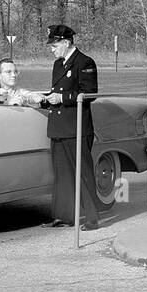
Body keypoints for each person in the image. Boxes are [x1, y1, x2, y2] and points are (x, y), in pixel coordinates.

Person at [40, 24, 100, 230]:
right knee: (62, 174)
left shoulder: (84, 62)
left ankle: (92, 217)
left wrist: (62, 98)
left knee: (82, 173)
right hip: (59, 127)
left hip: (76, 128)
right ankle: (65, 216)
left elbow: (90, 94)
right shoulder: (59, 64)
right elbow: (55, 91)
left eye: (54, 44)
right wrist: (45, 99)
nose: (51, 48)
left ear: (66, 42)